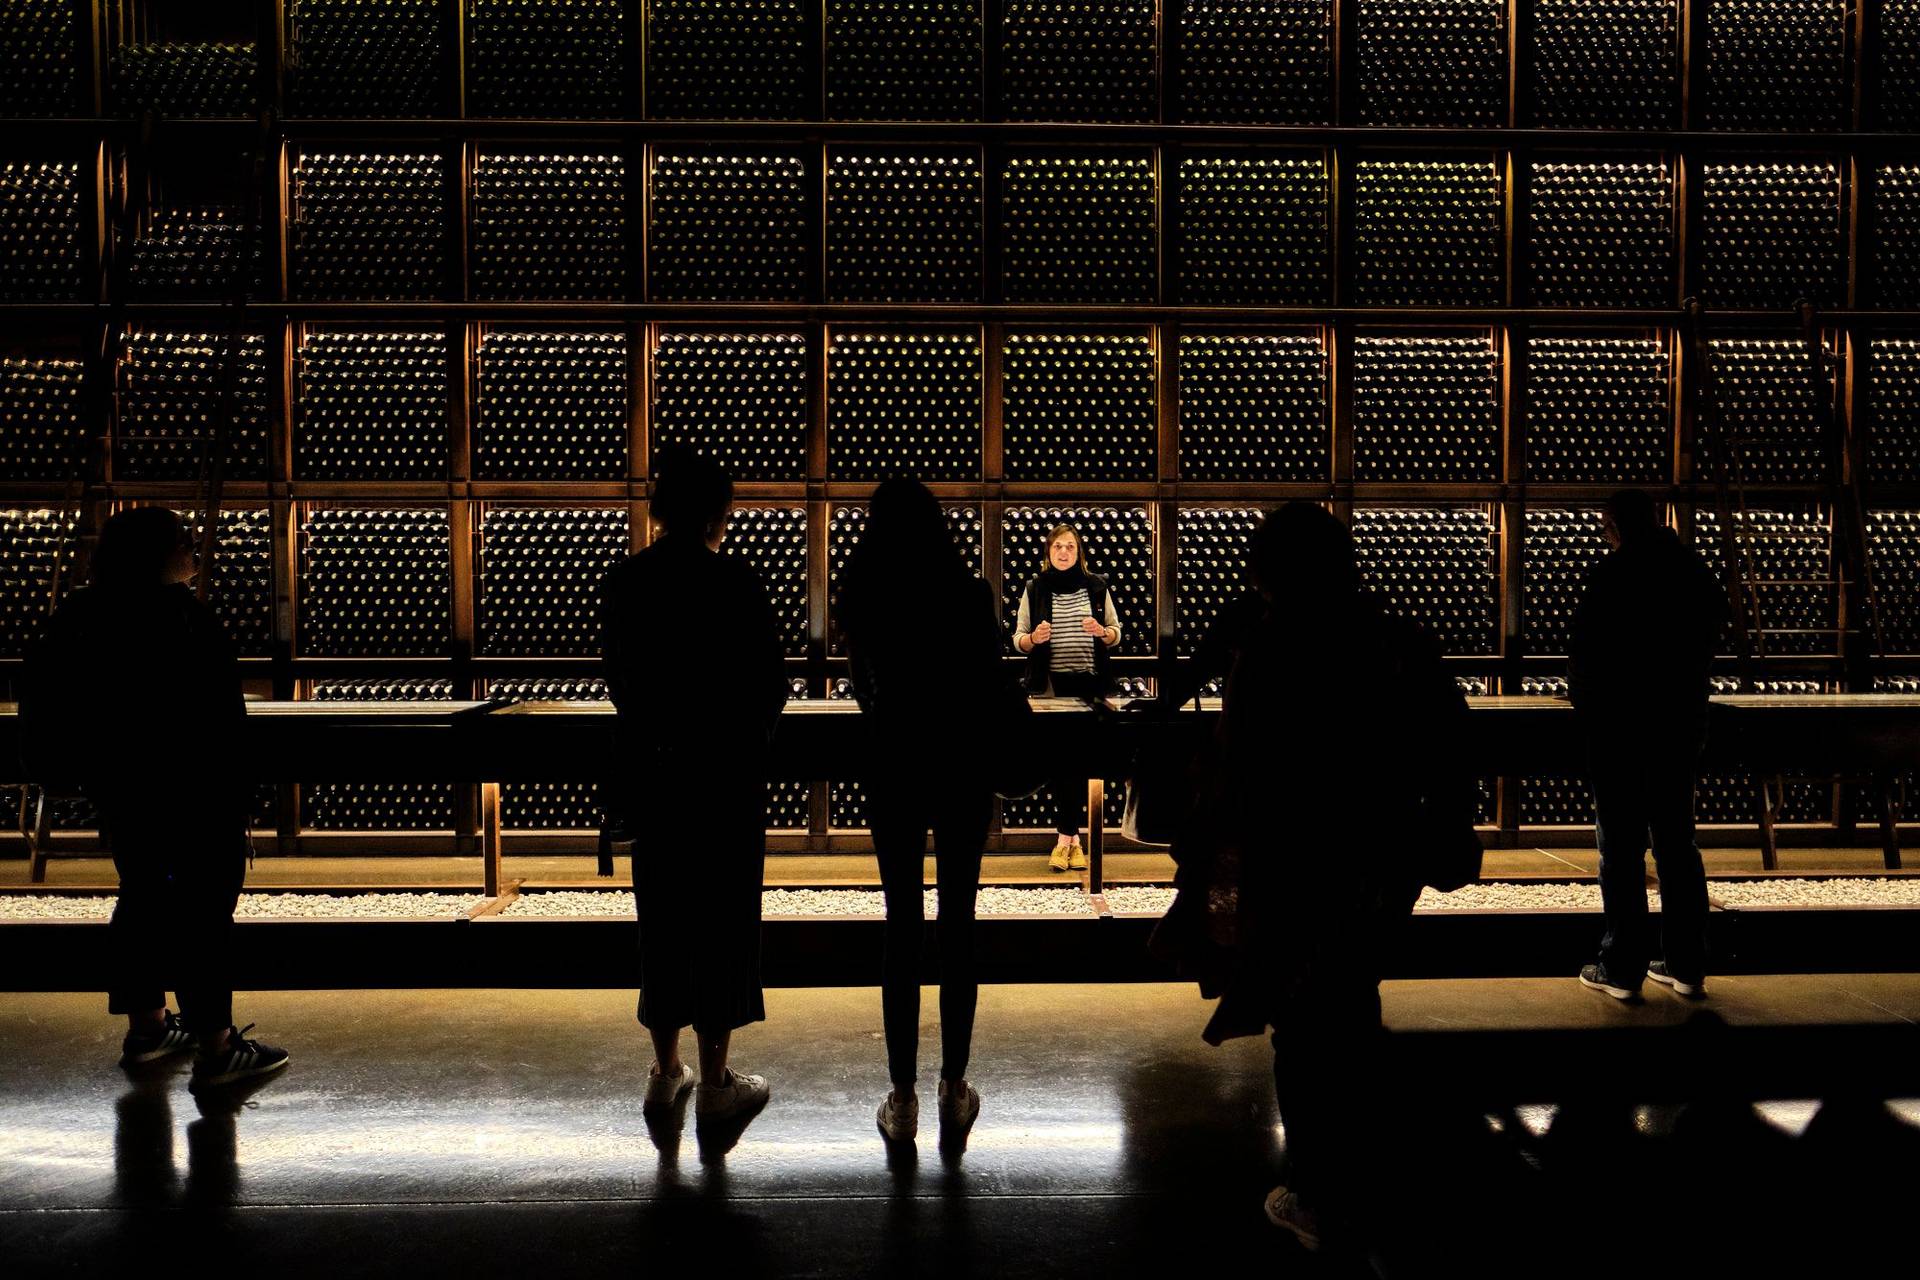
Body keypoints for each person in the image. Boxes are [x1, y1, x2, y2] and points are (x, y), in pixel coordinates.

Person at [1150, 502, 1478, 1252]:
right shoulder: (1397, 641)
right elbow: (1452, 744)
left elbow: (1242, 768)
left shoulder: (1272, 648)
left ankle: (1317, 1191)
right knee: (1353, 999)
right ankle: (1361, 1179)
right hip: (1381, 856)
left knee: (1302, 1019)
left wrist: (1205, 850)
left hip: (1295, 860)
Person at [20, 507, 288, 1091]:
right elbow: (220, 720)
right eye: (184, 543)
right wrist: (241, 798)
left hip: (121, 789)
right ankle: (216, 1049)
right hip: (194, 793)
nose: (195, 551)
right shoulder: (185, 618)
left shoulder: (78, 614)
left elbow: (40, 699)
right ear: (157, 554)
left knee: (140, 898)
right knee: (205, 913)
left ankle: (148, 1031)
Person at [601, 449, 788, 1124]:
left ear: (658, 509)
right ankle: (715, 1081)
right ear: (719, 513)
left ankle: (663, 1070)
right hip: (724, 781)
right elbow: (772, 686)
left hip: (656, 780)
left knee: (663, 920)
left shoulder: (627, 582)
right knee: (723, 924)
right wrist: (746, 745)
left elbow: (620, 682)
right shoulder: (737, 583)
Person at [836, 478, 1005, 1147]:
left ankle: (902, 1096)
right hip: (961, 769)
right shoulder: (969, 595)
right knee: (958, 925)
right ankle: (953, 1088)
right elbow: (989, 680)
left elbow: (865, 691)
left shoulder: (865, 596)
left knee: (901, 925)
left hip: (893, 768)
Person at [1571, 489, 1726, 1001]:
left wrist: (1584, 701)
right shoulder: (1692, 571)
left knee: (1620, 848)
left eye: (1605, 527)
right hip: (1679, 725)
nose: (1604, 536)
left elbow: (1587, 657)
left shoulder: (1611, 575)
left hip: (1619, 730)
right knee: (1677, 844)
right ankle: (1688, 963)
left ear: (1616, 525)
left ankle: (1622, 966)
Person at [1010, 523, 1122, 872]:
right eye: (1058, 546)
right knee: (1063, 764)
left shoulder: (1097, 586)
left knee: (1076, 763)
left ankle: (1067, 842)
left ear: (1078, 552)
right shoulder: (1035, 588)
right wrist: (1035, 639)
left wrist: (1103, 632)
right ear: (1048, 552)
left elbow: (1116, 633)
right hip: (1051, 690)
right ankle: (1068, 840)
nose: (1063, 552)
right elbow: (1018, 638)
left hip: (1090, 689)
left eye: (1070, 547)